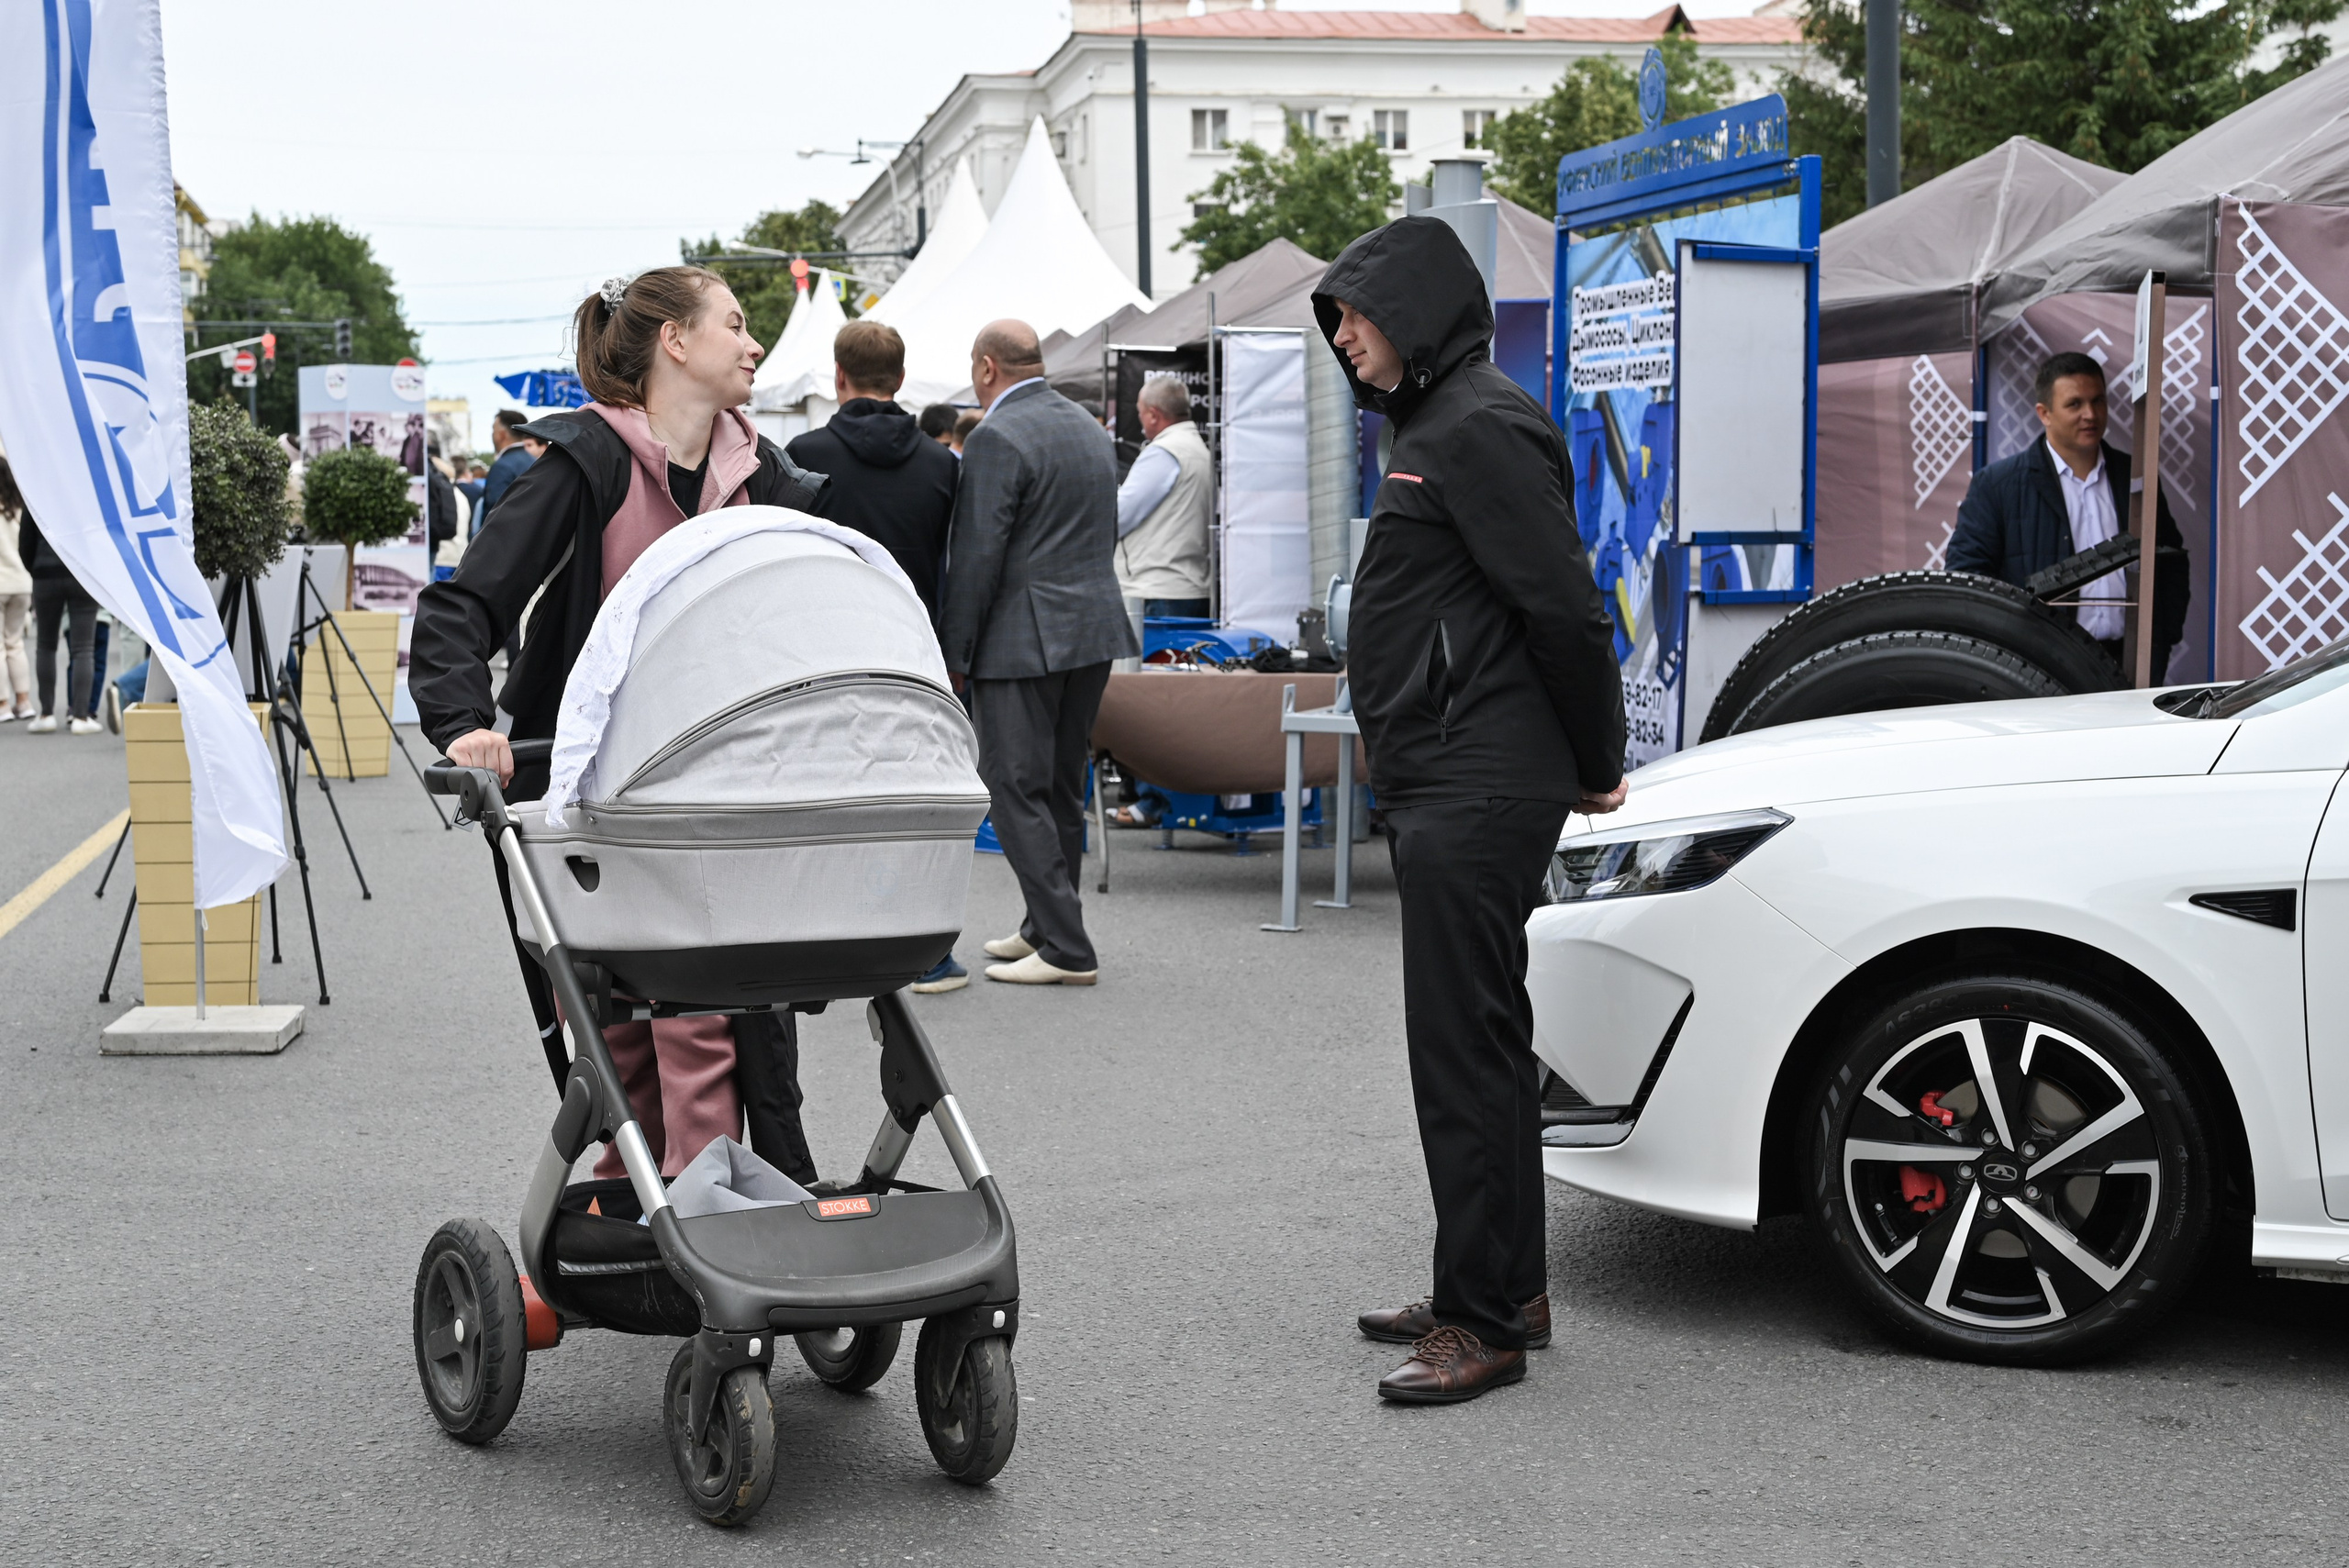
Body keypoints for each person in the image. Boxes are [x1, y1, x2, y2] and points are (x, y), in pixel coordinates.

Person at [411, 265, 832, 1187]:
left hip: (722, 784)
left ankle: (694, 1198)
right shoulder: (586, 464)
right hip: (595, 787)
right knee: (626, 1017)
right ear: (674, 341)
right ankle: (650, 1196)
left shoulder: (767, 479)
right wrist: (466, 725)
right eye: (734, 324)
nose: (754, 342)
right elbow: (461, 606)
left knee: (706, 1014)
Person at [1314, 217, 1627, 1404]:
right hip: (1456, 770)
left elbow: (1564, 606)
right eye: (1337, 318)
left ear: (1415, 311)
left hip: (1479, 777)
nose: (1344, 335)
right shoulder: (1439, 423)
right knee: (1480, 1045)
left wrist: (1597, 756)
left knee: (1463, 1052)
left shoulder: (1479, 424)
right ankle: (1503, 1288)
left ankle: (1483, 1323)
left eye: (1356, 313)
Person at [938, 318, 1138, 986]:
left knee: (1011, 786)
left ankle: (1066, 945)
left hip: (1020, 637)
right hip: (1092, 627)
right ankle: (1044, 926)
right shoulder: (1087, 425)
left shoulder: (996, 436)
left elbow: (977, 555)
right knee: (1058, 786)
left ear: (987, 367)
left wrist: (956, 652)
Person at [785, 319, 968, 994]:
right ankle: (927, 950)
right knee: (912, 796)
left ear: (838, 376)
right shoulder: (943, 465)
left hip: (824, 648)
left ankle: (827, 935)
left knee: (825, 789)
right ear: (901, 377)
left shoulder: (803, 454)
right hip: (914, 649)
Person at [1949, 350, 2189, 679]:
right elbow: (1967, 579)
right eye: (2075, 404)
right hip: (2040, 669)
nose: (2090, 414)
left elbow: (2171, 559)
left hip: (2131, 664)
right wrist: (2009, 653)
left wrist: (2163, 636)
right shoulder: (1997, 486)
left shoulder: (2135, 476)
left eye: (2098, 401)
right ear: (2044, 413)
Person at [1114, 375, 1211, 619]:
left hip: (1156, 587)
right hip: (1185, 584)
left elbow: (1120, 515)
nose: (1140, 422)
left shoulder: (1164, 452)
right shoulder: (1198, 449)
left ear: (1153, 415)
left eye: (1140, 413)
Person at [19, 506, 105, 734]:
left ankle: (46, 714)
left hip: (45, 572)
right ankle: (81, 717)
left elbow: (25, 541)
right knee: (84, 649)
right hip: (82, 572)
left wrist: (36, 568)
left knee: (45, 646)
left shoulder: (36, 490)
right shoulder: (85, 491)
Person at [0, 460, 34, 722]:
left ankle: (3, 704)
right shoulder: (21, 507)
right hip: (22, 583)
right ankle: (24, 701)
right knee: (15, 643)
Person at [477, 408, 534, 528]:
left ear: (502, 435)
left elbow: (494, 515)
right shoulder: (535, 462)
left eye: (493, 430)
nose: (492, 435)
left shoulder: (502, 466)